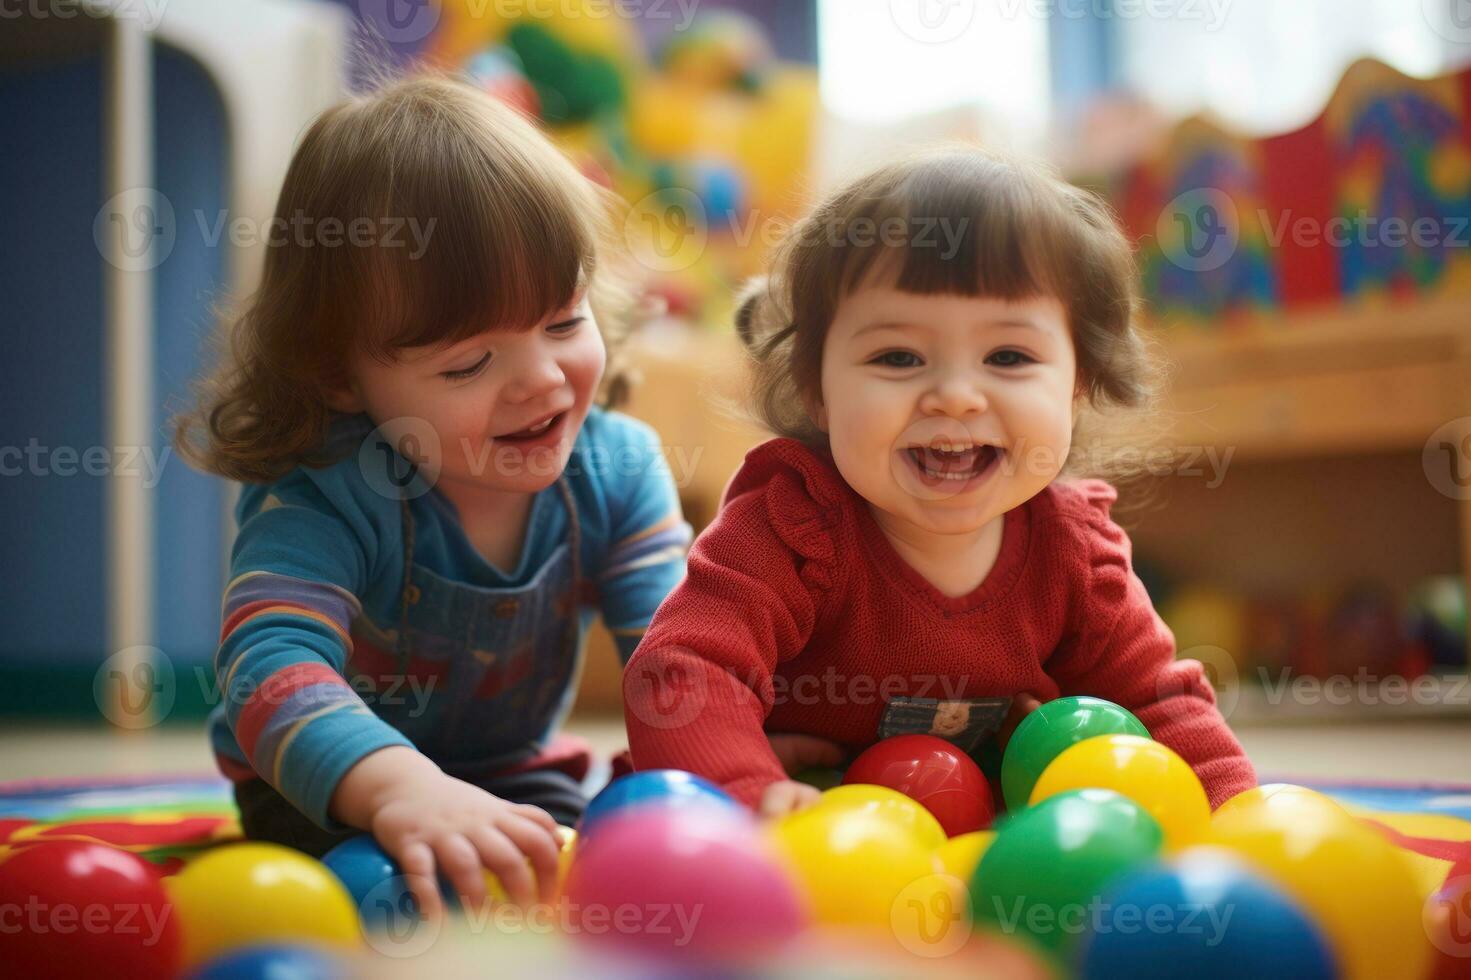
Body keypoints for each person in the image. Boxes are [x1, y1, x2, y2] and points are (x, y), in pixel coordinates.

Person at [175, 76, 690, 918]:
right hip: (324, 788)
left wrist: (735, 753)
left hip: (514, 771)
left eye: (563, 322)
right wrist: (399, 789)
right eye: (467, 364)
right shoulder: (325, 492)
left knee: (599, 871)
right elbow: (269, 672)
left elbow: (676, 656)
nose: (542, 379)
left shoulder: (619, 467)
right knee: (388, 904)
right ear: (340, 375)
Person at [623, 148, 1256, 817]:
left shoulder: (1074, 553)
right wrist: (744, 791)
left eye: (1007, 356)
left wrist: (1238, 818)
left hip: (973, 846)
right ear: (815, 390)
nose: (954, 396)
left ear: (1076, 386)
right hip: (804, 824)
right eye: (898, 357)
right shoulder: (793, 524)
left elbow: (1160, 706)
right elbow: (685, 671)